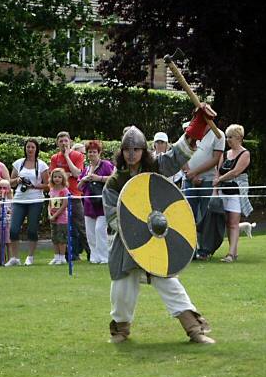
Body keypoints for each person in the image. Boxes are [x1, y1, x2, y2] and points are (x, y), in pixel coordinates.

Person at [102, 124, 215, 345]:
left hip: (157, 242)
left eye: (136, 149)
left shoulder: (155, 168)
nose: (132, 154)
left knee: (170, 285)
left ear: (144, 151)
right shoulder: (114, 182)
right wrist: (135, 231)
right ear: (121, 152)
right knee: (122, 290)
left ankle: (194, 330)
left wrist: (197, 126)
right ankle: (120, 331)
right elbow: (113, 217)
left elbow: (177, 154)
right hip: (126, 245)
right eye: (127, 149)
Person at [182, 104, 225, 260]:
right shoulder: (190, 132)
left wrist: (196, 172)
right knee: (188, 216)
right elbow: (180, 153)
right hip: (189, 181)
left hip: (206, 181)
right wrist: (190, 174)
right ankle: (189, 250)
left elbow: (215, 158)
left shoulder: (218, 135)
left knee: (206, 216)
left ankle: (204, 250)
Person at [5, 138, 49, 266]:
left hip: (35, 200)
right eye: (28, 147)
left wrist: (34, 186)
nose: (30, 149)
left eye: (32, 147)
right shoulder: (18, 163)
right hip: (19, 200)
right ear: (25, 148)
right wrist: (18, 180)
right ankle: (15, 257)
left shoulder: (41, 165)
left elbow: (47, 185)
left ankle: (30, 256)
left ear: (36, 149)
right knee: (13, 229)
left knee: (32, 230)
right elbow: (10, 182)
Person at [213, 124, 253, 262]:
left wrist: (220, 179)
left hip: (236, 192)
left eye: (231, 137)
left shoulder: (245, 153)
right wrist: (215, 191)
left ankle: (230, 254)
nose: (228, 140)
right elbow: (217, 172)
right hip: (224, 191)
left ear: (239, 138)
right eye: (227, 137)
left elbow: (236, 171)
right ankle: (233, 252)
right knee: (227, 222)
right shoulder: (224, 154)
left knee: (234, 223)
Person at [49, 131, 90, 261]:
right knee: (60, 226)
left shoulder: (77, 155)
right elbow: (54, 176)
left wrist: (67, 157)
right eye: (60, 141)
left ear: (70, 142)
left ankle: (91, 253)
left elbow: (77, 173)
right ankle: (67, 255)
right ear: (57, 143)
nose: (63, 143)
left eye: (65, 141)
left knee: (81, 226)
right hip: (58, 197)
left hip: (75, 195)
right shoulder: (54, 158)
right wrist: (67, 174)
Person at [77, 140, 115, 264]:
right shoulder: (86, 168)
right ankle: (94, 256)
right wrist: (84, 179)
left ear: (99, 153)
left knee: (100, 229)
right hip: (88, 204)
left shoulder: (106, 165)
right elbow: (79, 187)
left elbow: (113, 180)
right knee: (90, 233)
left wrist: (98, 178)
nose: (92, 154)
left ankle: (105, 257)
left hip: (102, 204)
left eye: (94, 152)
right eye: (89, 152)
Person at [48, 168, 69, 265]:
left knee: (61, 238)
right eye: (55, 177)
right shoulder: (51, 190)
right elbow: (49, 204)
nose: (57, 179)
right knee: (54, 238)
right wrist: (50, 215)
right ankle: (56, 257)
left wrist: (55, 215)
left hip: (62, 218)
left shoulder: (64, 190)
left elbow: (64, 205)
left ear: (63, 179)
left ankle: (62, 257)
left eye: (59, 177)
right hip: (53, 219)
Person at [0, 179, 13, 263]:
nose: (2, 190)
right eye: (0, 188)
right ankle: (2, 261)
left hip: (9, 223)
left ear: (9, 189)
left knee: (9, 242)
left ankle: (10, 260)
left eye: (4, 188)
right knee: (1, 243)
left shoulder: (12, 199)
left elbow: (13, 210)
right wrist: (0, 200)